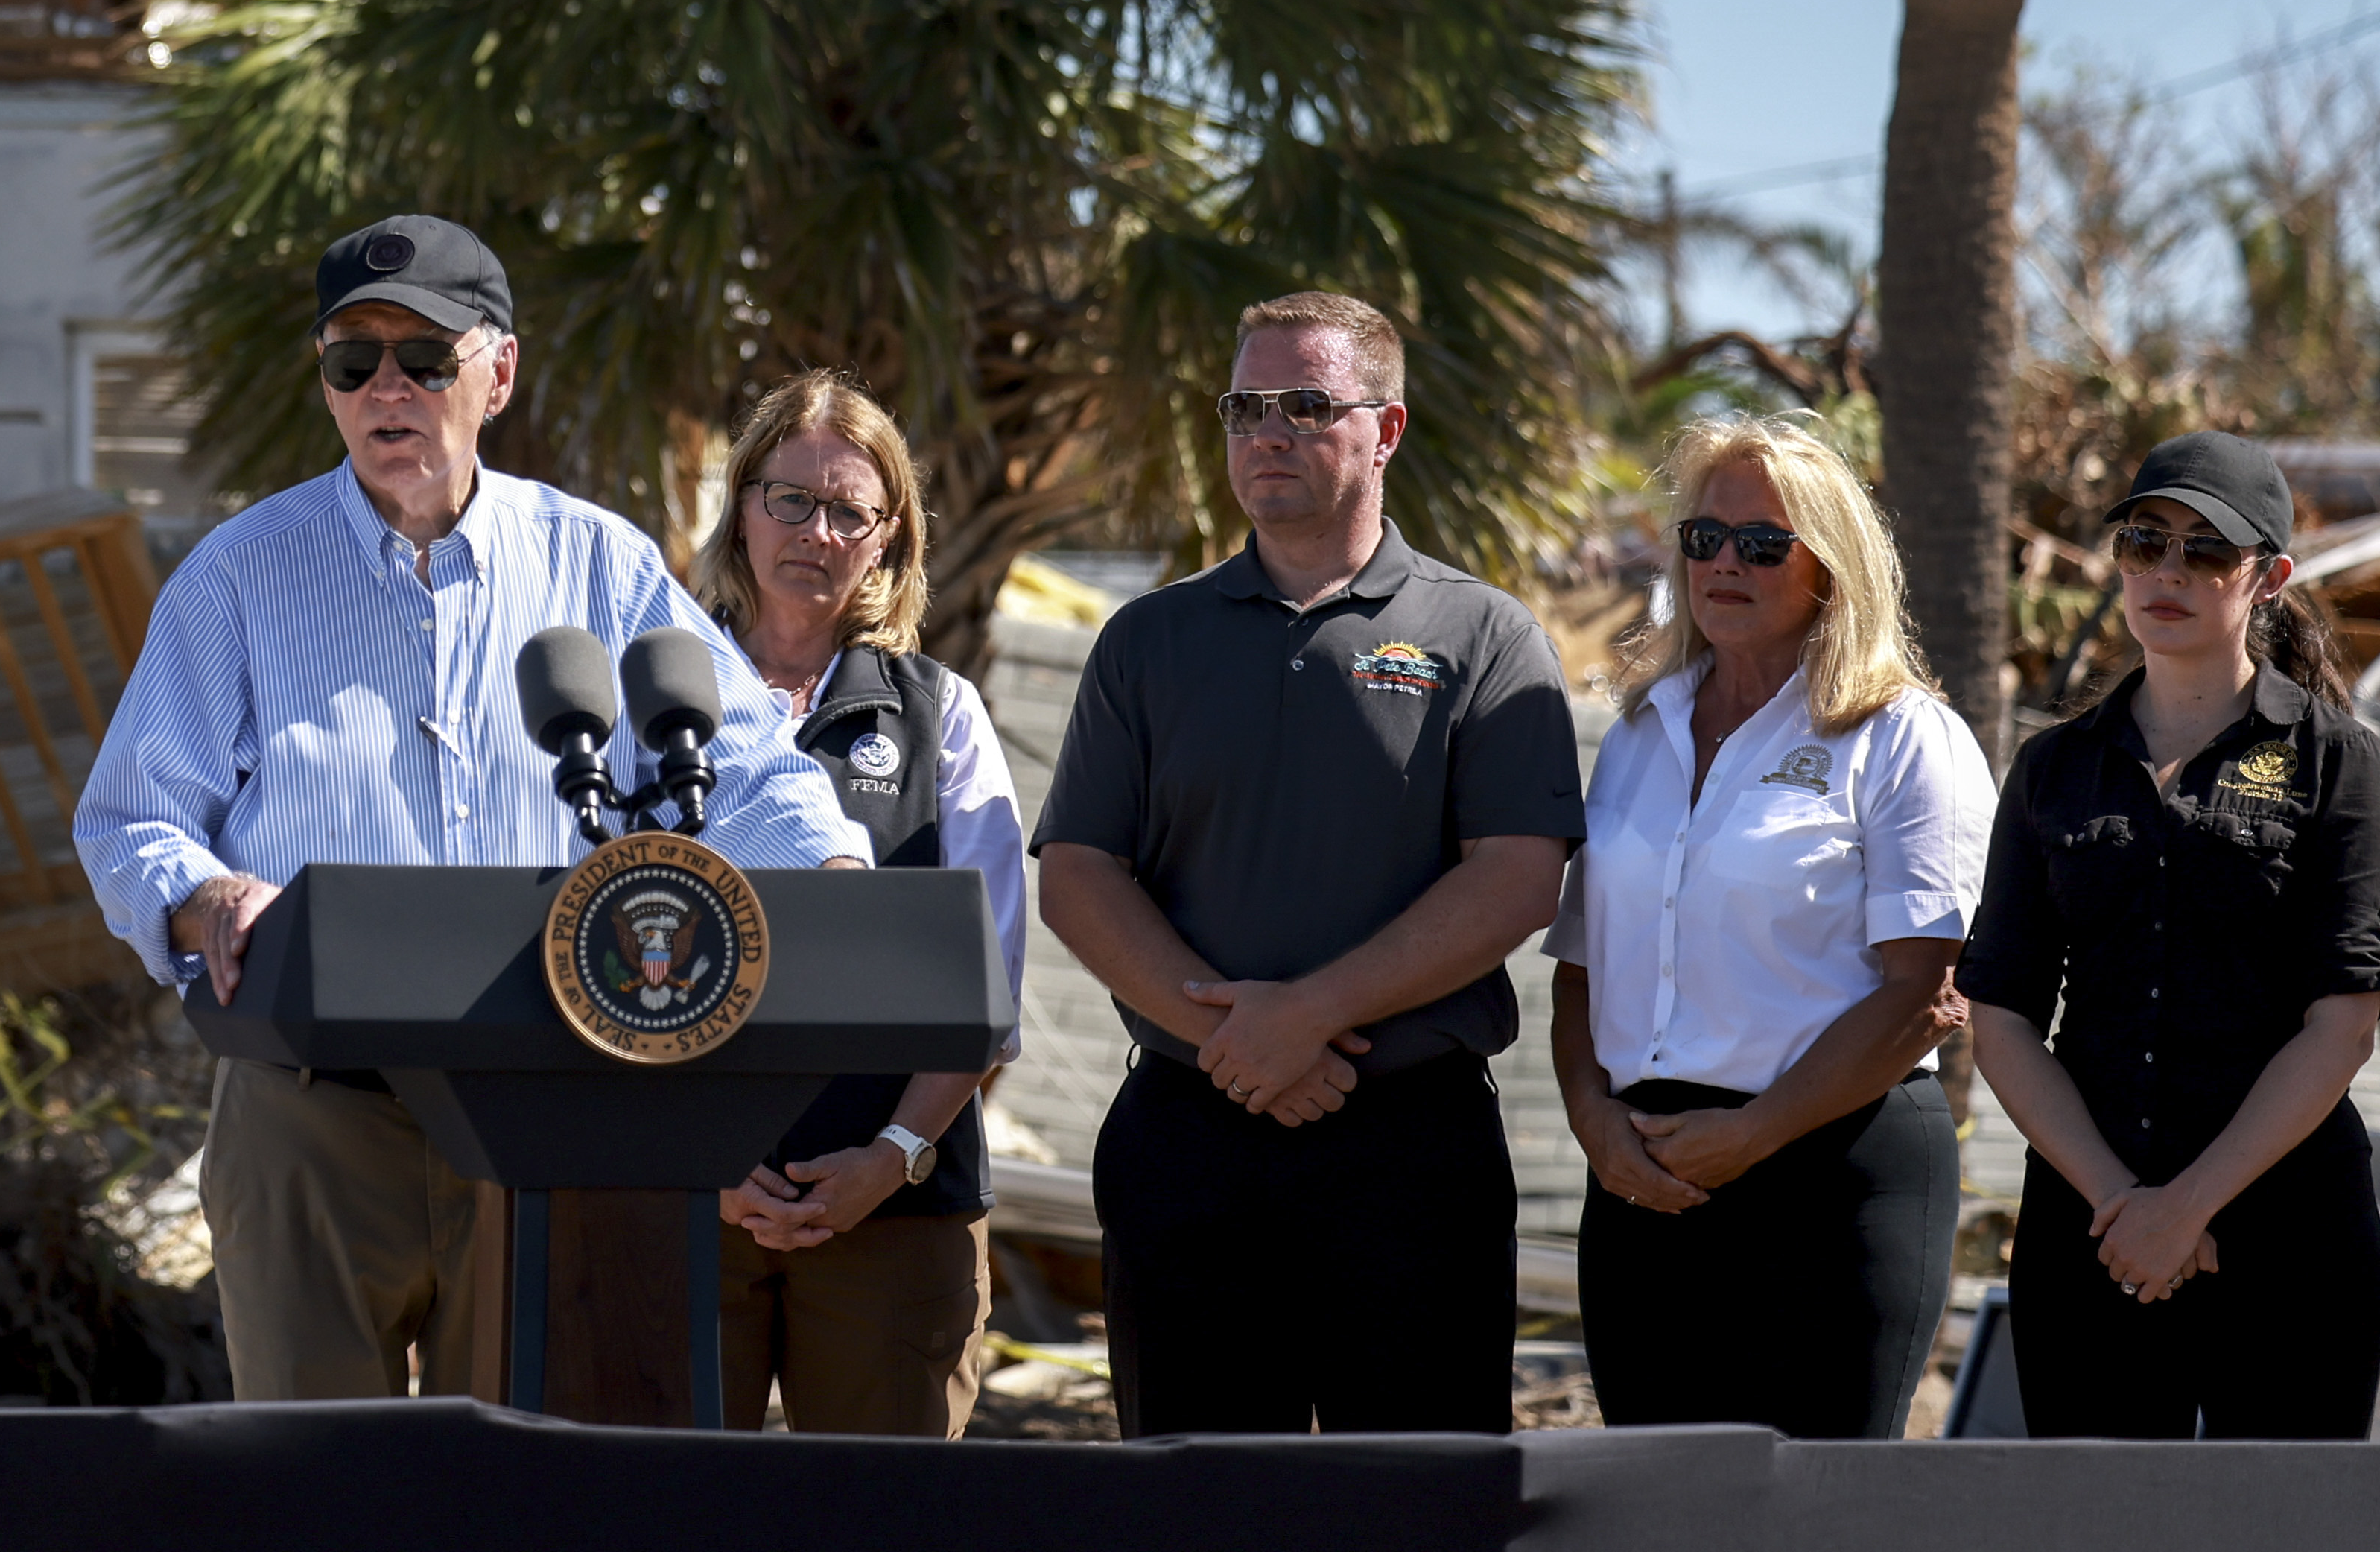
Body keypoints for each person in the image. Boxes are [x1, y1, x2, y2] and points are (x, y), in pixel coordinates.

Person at [74, 214, 871, 1403]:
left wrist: (834, 889)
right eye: (355, 361)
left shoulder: (598, 563)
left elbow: (747, 775)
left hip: (548, 1105)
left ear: (498, 374)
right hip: (311, 1108)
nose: (387, 387)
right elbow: (133, 816)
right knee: (315, 1488)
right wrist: (203, 895)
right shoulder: (239, 575)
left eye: (425, 358)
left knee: (514, 1496)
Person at [1032, 290, 1584, 1437]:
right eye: (1245, 407)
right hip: (1188, 1135)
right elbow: (1079, 871)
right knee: (1198, 1510)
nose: (1266, 432)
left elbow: (1519, 878)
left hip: (1409, 1150)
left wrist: (1309, 1017)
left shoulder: (1484, 636)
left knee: (1418, 1509)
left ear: (1386, 430)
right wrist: (1234, 1043)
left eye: (1304, 404)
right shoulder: (1149, 639)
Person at [1549, 414, 1989, 1438]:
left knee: (1815, 1525)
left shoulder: (1905, 737)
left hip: (1832, 1174)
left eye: (1763, 543)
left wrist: (1754, 1133)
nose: (1725, 564)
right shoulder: (1637, 733)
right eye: (1704, 538)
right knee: (1656, 1520)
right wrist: (1592, 1123)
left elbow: (1925, 994)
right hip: (1641, 1175)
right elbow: (1579, 967)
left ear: (1831, 568)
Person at [1964, 430, 2380, 1440]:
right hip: (2094, 1231)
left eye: (2206, 552)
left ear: (2269, 578)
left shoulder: (2337, 761)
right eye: (2144, 542)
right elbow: (2002, 1017)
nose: (2168, 572)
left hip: (2295, 1241)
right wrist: (2126, 1204)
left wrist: (2189, 1204)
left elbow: (2342, 1024)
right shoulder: (2051, 769)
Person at [694, 371, 1027, 1438]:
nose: (817, 532)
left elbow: (989, 982)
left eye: (850, 512)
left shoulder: (943, 719)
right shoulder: (646, 699)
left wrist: (891, 1156)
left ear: (889, 539)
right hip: (674, 1202)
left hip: (896, 1208)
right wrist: (687, 1156)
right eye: (790, 499)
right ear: (742, 507)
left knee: (883, 1528)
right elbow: (581, 948)